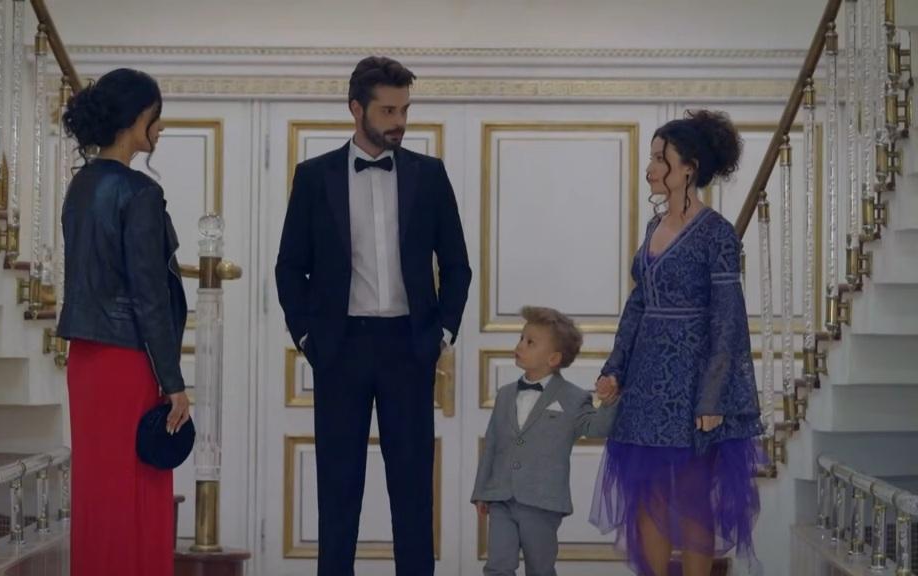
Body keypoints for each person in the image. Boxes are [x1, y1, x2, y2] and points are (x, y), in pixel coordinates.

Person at [275, 55, 472, 576]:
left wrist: (442, 333)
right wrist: (307, 337)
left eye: (404, 109)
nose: (399, 121)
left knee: (412, 490)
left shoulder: (430, 175)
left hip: (410, 346)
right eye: (388, 110)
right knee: (338, 489)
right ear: (356, 109)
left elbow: (457, 264)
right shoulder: (313, 177)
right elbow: (290, 266)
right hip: (340, 348)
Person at [591, 109, 764, 576]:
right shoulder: (653, 228)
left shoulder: (717, 234)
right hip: (646, 382)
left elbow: (727, 320)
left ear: (688, 167)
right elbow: (638, 304)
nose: (649, 168)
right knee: (647, 495)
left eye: (659, 158)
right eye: (651, 158)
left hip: (691, 385)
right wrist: (614, 369)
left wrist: (713, 396)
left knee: (691, 497)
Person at [57, 68, 190, 576]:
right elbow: (149, 296)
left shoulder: (80, 186)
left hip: (86, 361)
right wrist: (173, 382)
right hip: (129, 361)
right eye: (156, 115)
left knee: (99, 493)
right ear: (137, 119)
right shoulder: (140, 192)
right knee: (139, 490)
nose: (160, 126)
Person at [472, 306, 617, 576]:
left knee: (540, 568)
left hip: (543, 502)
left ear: (553, 358)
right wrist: (482, 490)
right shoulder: (505, 395)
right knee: (497, 566)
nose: (520, 345)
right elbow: (491, 444)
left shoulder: (573, 398)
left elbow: (597, 427)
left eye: (530, 342)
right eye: (521, 338)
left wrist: (609, 402)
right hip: (501, 497)